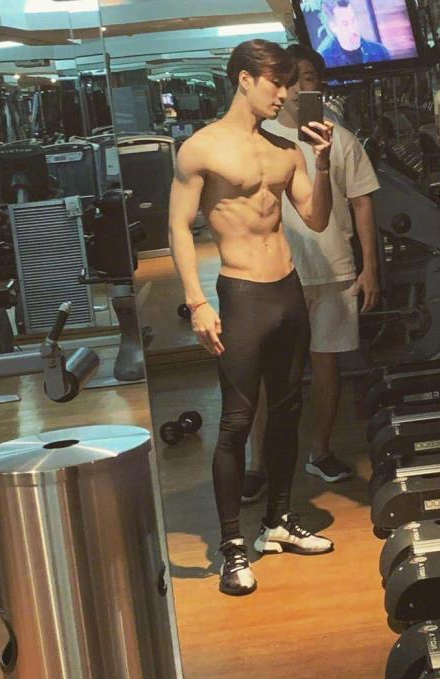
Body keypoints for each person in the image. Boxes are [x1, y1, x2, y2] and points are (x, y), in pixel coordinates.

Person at [169, 39, 336, 597]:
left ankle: (278, 521)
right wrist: (197, 302)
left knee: (288, 413)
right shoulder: (201, 149)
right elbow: (178, 226)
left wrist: (322, 160)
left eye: (288, 84)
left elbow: (316, 218)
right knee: (237, 423)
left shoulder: (285, 149)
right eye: (276, 83)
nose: (284, 94)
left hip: (288, 290)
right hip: (241, 294)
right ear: (244, 79)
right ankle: (231, 547)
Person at [242, 44, 380, 504]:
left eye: (308, 79)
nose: (299, 88)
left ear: (320, 84)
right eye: (290, 79)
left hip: (334, 268)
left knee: (327, 364)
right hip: (277, 273)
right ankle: (258, 464)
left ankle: (320, 452)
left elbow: (362, 203)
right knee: (269, 372)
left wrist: (369, 268)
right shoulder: (259, 140)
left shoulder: (342, 140)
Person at [319, 0, 391, 68]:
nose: (353, 28)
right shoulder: (325, 60)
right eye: (345, 24)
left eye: (353, 20)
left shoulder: (380, 51)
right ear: (333, 27)